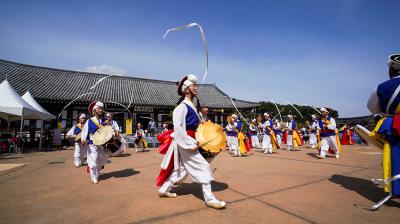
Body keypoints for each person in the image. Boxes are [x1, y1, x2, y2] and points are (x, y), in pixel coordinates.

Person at [156, 74, 226, 209]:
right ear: (187, 89)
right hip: (186, 141)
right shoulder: (181, 107)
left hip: (191, 139)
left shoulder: (191, 106)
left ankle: (164, 189)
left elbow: (197, 126)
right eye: (194, 86)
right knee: (203, 166)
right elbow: (179, 129)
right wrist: (189, 143)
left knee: (181, 169)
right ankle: (209, 198)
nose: (196, 88)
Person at [367, 53, 400, 209]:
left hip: (394, 125)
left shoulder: (382, 87)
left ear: (392, 69)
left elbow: (372, 107)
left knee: (394, 159)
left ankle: (396, 189)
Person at [81, 101, 108, 184]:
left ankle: (97, 172)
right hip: (92, 143)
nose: (101, 110)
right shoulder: (89, 121)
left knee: (101, 160)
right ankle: (94, 177)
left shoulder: (103, 121)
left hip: (101, 144)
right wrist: (83, 138)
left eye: (102, 109)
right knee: (93, 160)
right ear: (94, 110)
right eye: (99, 108)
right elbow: (85, 131)